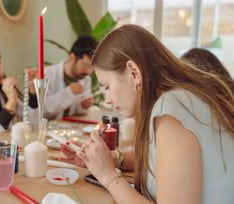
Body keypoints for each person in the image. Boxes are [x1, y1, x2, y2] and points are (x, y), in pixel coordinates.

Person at [60, 25, 234, 203]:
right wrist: (109, 159)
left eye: (107, 86)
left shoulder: (172, 109)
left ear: (134, 73)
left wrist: (108, 176)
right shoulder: (180, 99)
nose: (108, 99)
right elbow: (166, 161)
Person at [43, 35, 98, 120]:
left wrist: (83, 106)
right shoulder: (47, 75)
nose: (88, 72)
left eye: (92, 68)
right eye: (85, 66)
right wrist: (68, 93)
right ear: (72, 57)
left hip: (69, 127)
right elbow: (43, 110)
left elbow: (76, 111)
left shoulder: (85, 79)